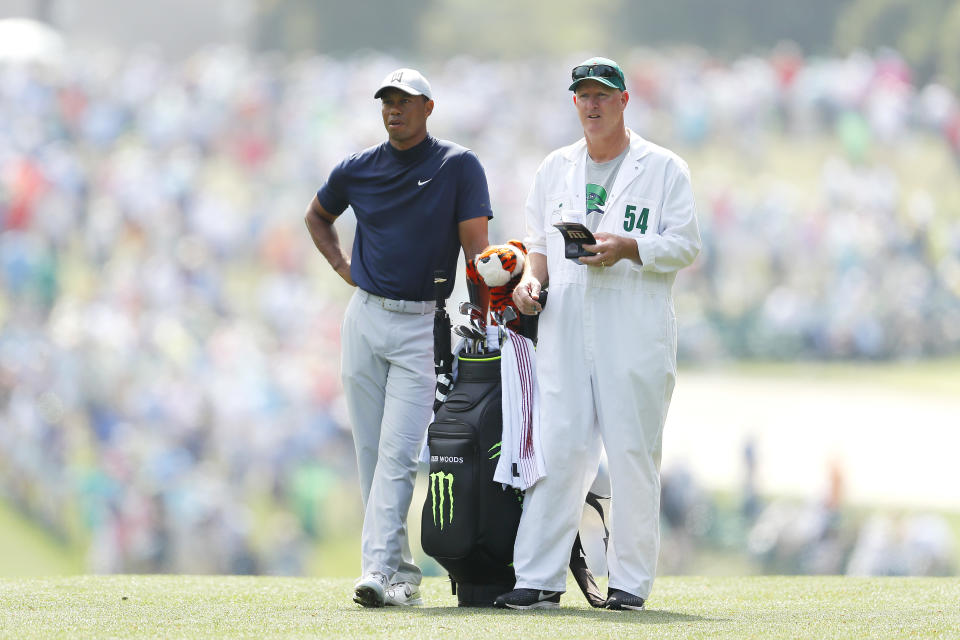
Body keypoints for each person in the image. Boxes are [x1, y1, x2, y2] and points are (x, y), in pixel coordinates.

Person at [494, 57, 700, 611]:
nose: (591, 105)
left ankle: (629, 583)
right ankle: (538, 578)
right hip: (564, 329)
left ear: (624, 101)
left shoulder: (663, 169)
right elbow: (537, 246)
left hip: (633, 334)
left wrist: (628, 248)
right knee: (558, 451)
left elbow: (686, 244)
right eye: (583, 96)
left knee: (632, 454)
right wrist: (529, 284)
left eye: (602, 95)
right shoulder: (554, 167)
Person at [304, 68, 491, 607]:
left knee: (400, 454)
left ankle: (375, 570)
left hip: (420, 325)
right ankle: (400, 573)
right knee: (370, 451)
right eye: (386, 101)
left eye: (404, 101)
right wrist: (342, 266)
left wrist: (481, 312)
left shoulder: (458, 166)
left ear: (428, 108)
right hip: (363, 317)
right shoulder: (357, 168)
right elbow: (318, 217)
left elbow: (477, 250)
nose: (393, 109)